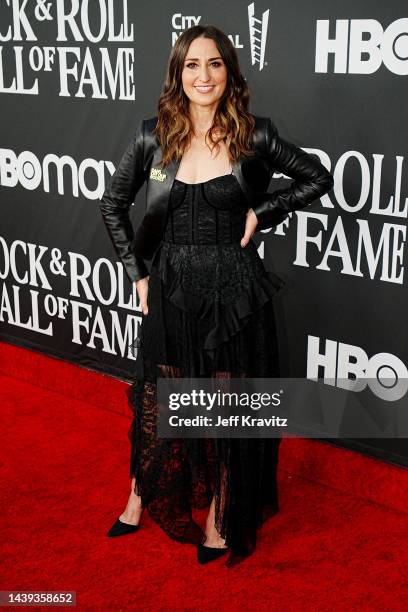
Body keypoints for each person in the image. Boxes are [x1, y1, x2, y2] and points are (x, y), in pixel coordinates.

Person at [99, 24, 334, 567]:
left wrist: (264, 209)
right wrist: (138, 273)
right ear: (177, 74)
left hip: (236, 288)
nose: (203, 76)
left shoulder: (255, 135)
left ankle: (224, 514)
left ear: (230, 73)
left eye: (214, 65)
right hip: (172, 284)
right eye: (192, 65)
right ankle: (139, 498)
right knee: (163, 399)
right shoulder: (152, 136)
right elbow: (112, 205)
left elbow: (316, 178)